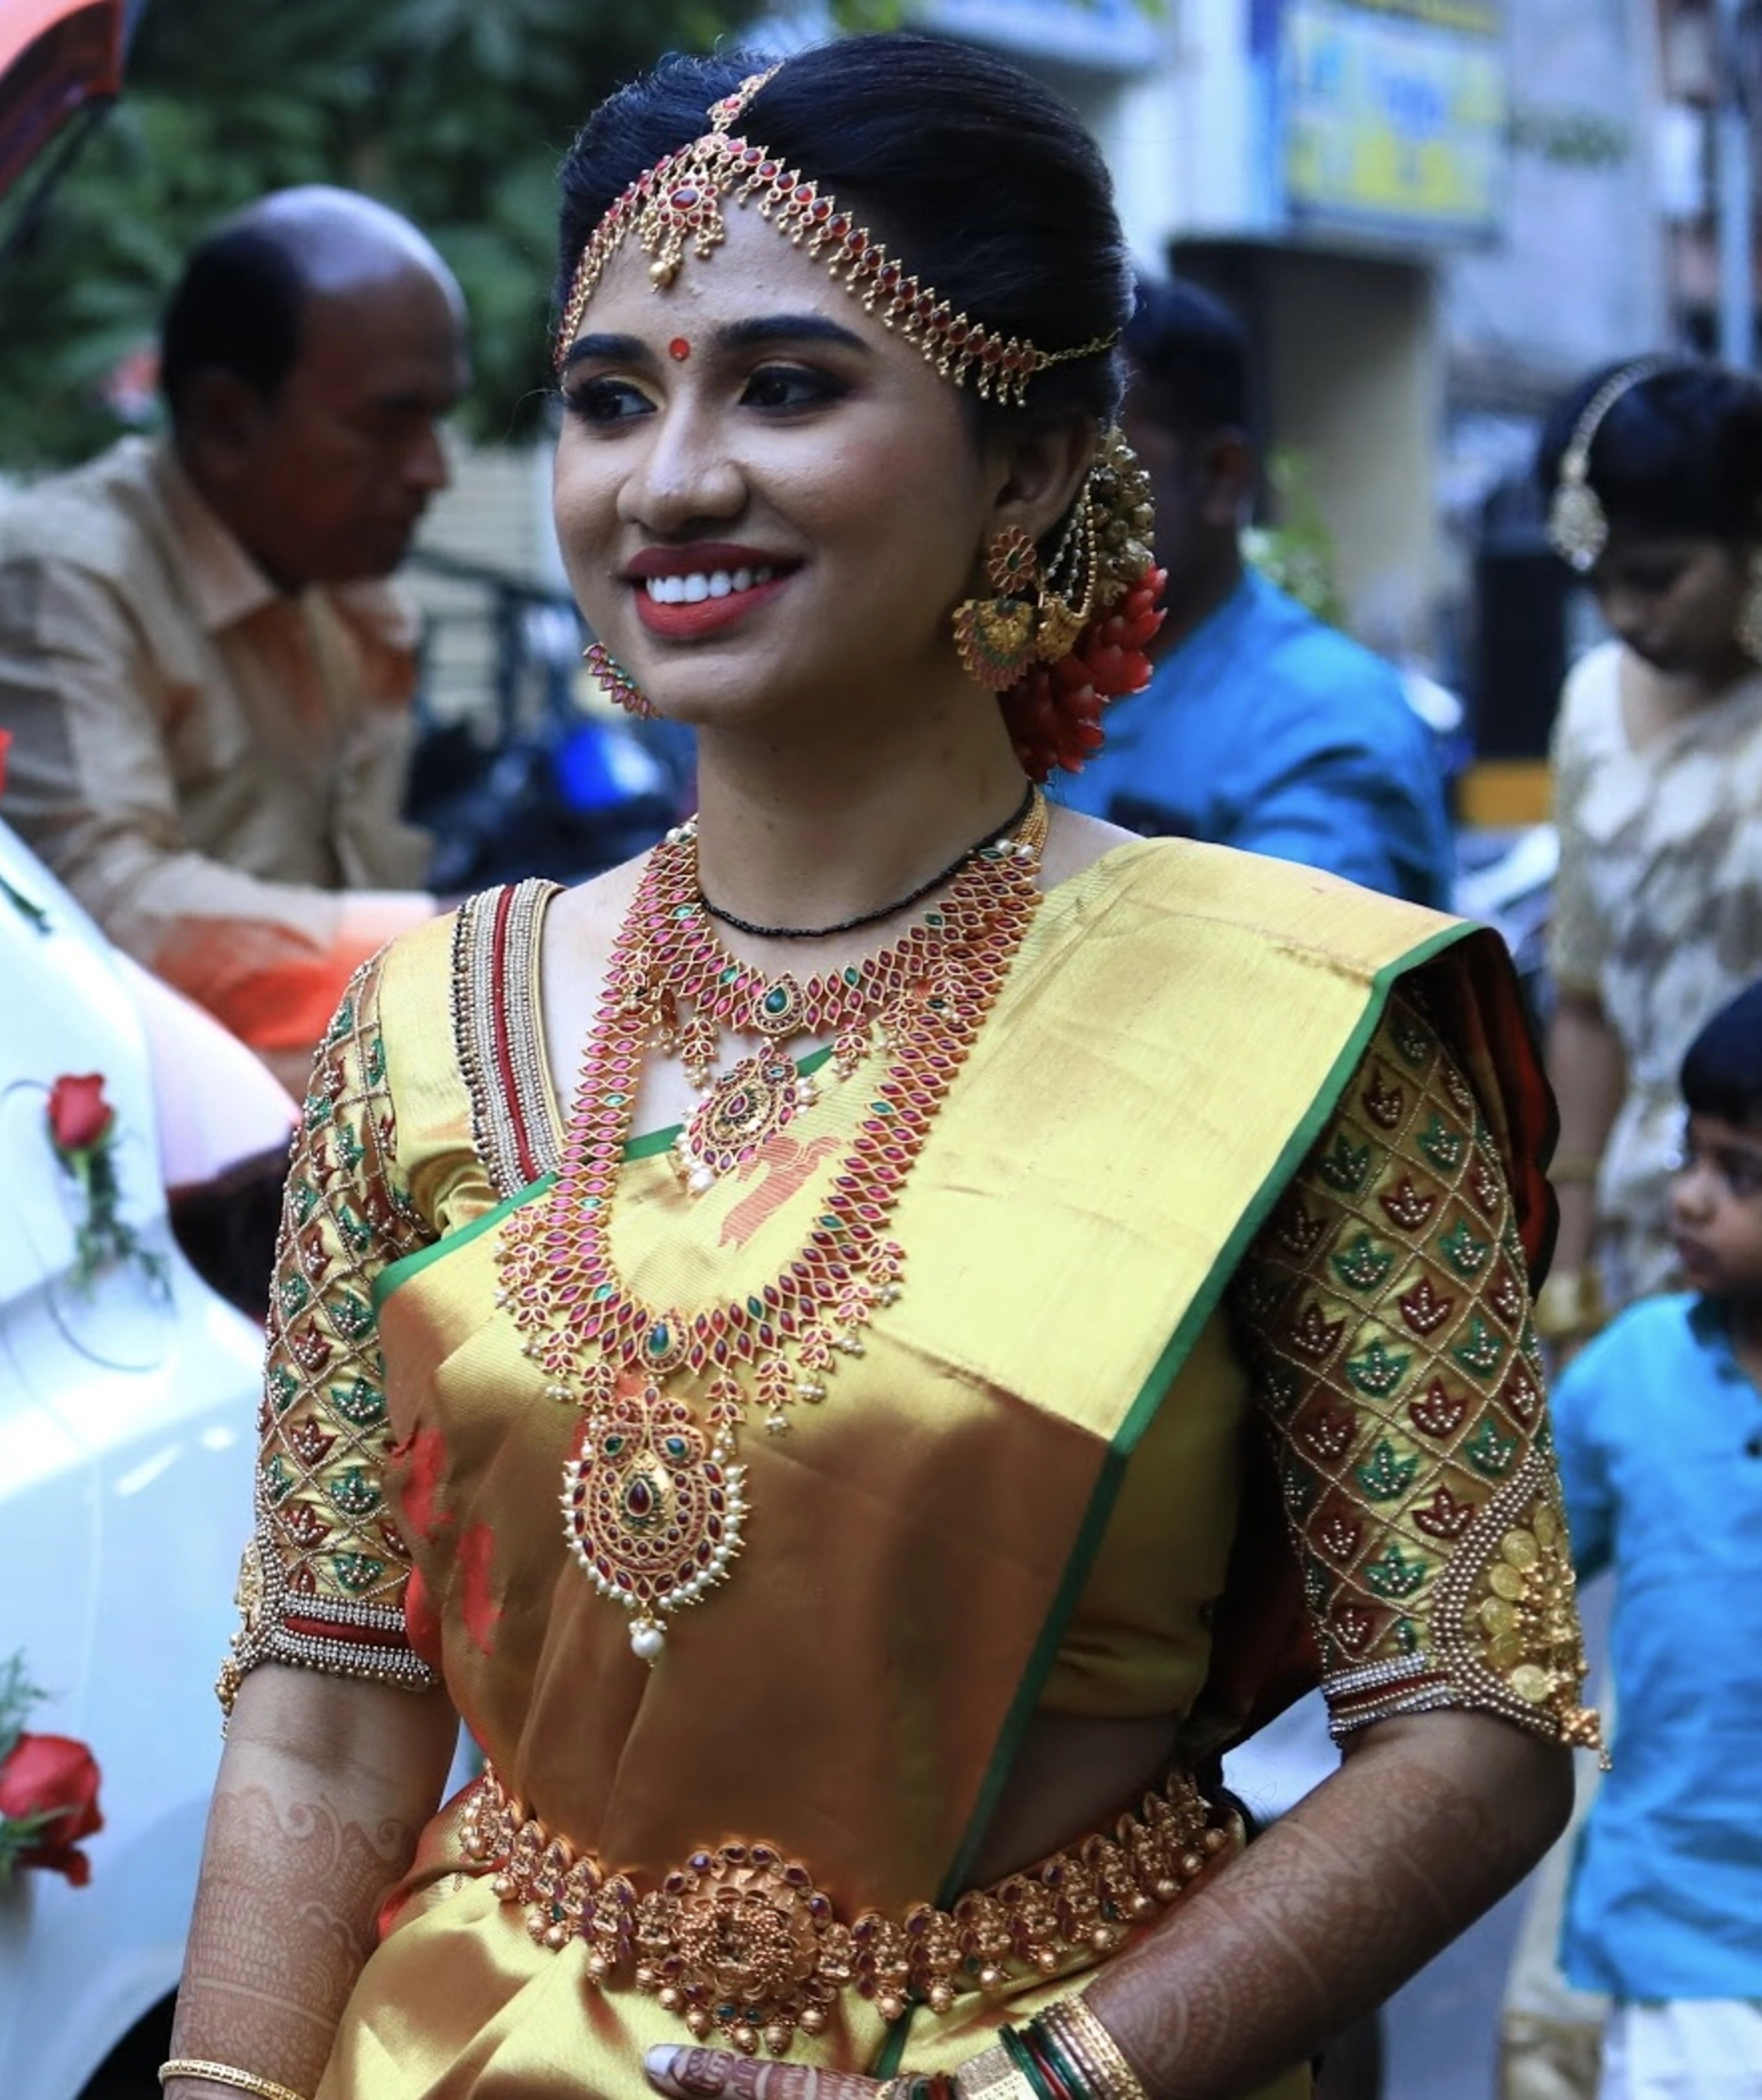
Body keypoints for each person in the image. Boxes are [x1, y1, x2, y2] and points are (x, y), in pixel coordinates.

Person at [161, 38, 1601, 2100]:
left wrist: (1034, 2091)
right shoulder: (426, 1021)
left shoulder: (1299, 1026)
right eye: (606, 399)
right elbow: (324, 1689)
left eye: (788, 384)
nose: (667, 483)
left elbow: (1471, 1716)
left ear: (1029, 466)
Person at [0, 187, 468, 1093]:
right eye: (391, 424)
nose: (433, 471)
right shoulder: (54, 579)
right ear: (229, 421)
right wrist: (464, 952)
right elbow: (97, 908)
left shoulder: (343, 591)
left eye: (439, 421)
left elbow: (360, 869)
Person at [1056, 275, 1454, 910]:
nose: (1038, 498)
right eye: (1024, 457)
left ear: (1220, 477)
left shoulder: (1321, 718)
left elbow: (1291, 979)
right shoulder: (1001, 682)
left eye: (1087, 464)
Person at [1546, 976, 1762, 2099]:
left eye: (1741, 1177)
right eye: (1689, 1158)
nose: (1688, 1200)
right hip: (1684, 1932)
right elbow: (1509, 1584)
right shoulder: (1630, 1377)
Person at [1534, 357, 1762, 1343]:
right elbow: (1584, 1000)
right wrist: (1568, 1249)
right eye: (1599, 583)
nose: (1625, 616)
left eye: (1658, 578)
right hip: (1644, 1206)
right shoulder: (1592, 701)